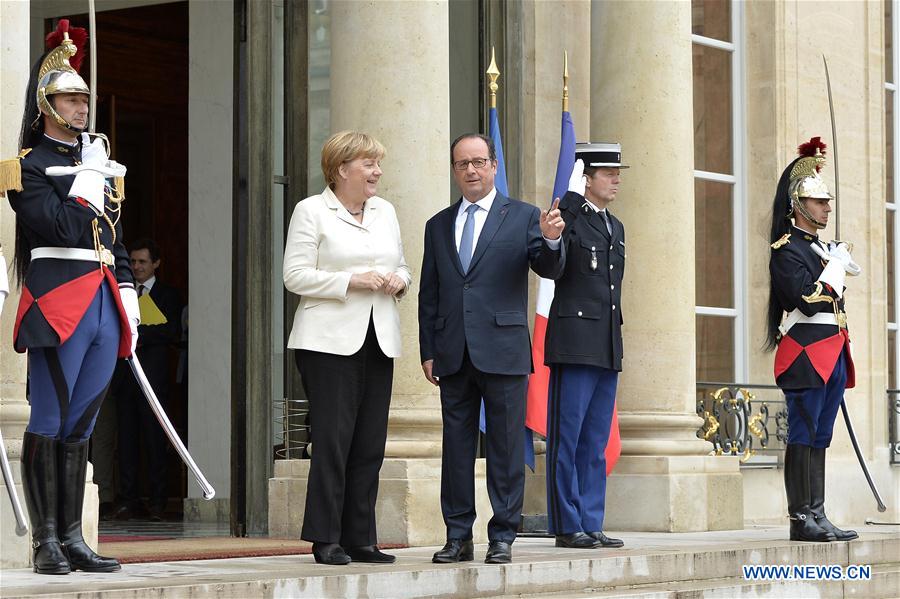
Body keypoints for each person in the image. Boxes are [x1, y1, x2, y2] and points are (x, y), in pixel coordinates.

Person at [1, 20, 138, 574]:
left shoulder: (97, 161)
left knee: (83, 422)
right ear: (47, 103)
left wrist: (126, 284)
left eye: (85, 99)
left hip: (102, 296)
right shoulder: (27, 168)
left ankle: (74, 538)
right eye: (71, 98)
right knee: (51, 416)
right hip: (58, 296)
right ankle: (45, 542)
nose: (82, 107)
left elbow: (114, 234)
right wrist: (84, 185)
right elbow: (55, 228)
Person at [419, 133, 566, 565]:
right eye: (463, 164)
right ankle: (457, 534)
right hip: (452, 352)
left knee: (504, 448)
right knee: (456, 449)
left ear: (494, 166)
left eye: (479, 162)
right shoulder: (438, 224)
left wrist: (553, 239)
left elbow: (549, 267)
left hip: (503, 351)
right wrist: (429, 348)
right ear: (454, 171)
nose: (471, 170)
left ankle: (503, 534)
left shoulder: (522, 217)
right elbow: (431, 293)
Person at [283, 131, 411, 566]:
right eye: (369, 163)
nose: (377, 171)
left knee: (369, 443)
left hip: (378, 337)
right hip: (326, 342)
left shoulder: (386, 211)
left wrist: (400, 281)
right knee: (333, 441)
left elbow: (403, 265)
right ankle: (326, 537)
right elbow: (294, 276)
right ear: (341, 169)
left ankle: (361, 538)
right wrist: (349, 281)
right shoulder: (311, 211)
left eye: (378, 163)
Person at [765, 137, 859, 543]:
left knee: (821, 434)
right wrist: (834, 268)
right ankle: (800, 517)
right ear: (798, 205)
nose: (827, 208)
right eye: (819, 202)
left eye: (826, 202)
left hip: (832, 349)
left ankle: (818, 513)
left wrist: (833, 259)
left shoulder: (821, 249)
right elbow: (804, 299)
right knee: (803, 433)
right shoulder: (788, 251)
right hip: (806, 352)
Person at [543, 143, 628, 549]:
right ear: (587, 177)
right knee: (568, 438)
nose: (615, 179)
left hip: (606, 343)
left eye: (617, 173)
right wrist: (572, 201)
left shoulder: (616, 226)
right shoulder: (569, 219)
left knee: (595, 441)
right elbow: (552, 265)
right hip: (574, 343)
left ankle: (592, 521)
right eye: (607, 173)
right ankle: (567, 524)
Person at [110, 239, 183, 521]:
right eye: (132, 262)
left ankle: (157, 501)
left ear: (156, 264)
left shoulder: (169, 295)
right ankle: (128, 500)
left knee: (155, 441)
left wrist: (140, 336)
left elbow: (172, 330)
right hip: (125, 379)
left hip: (155, 380)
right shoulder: (122, 292)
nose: (136, 267)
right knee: (126, 442)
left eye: (141, 262)